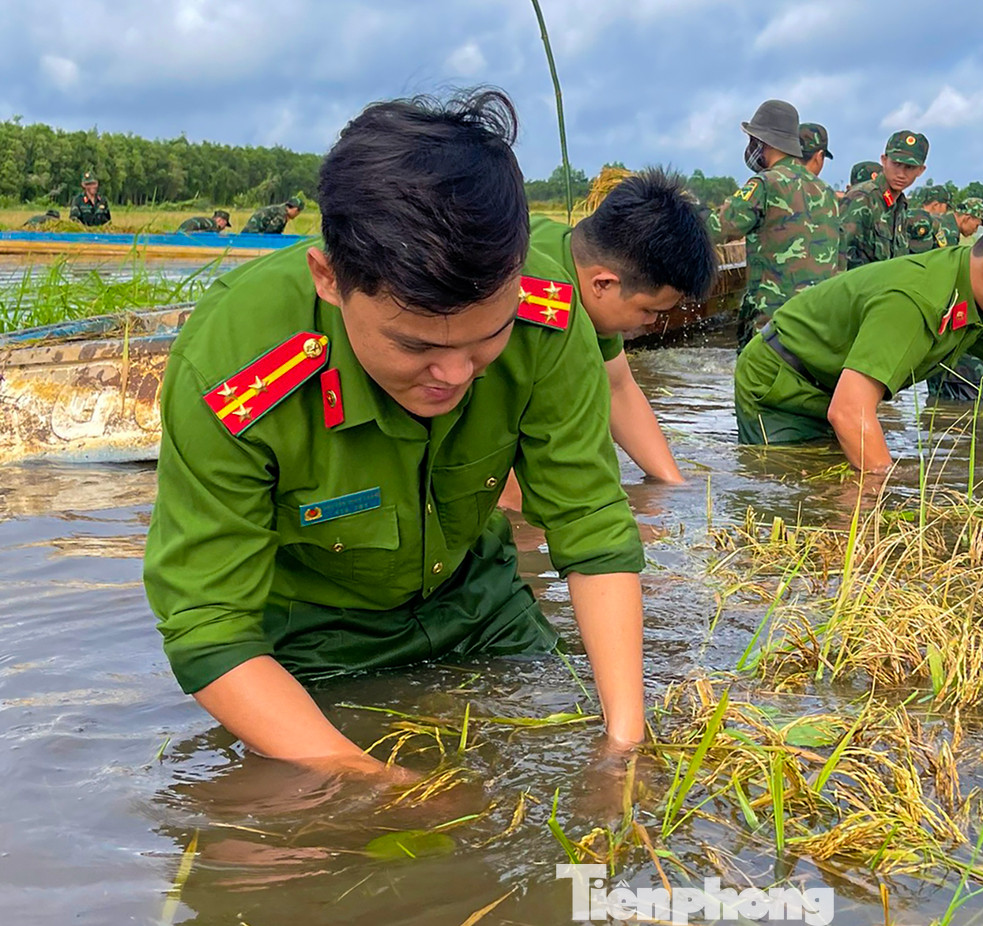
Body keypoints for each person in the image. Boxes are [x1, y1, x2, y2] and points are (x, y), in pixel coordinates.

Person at [143, 89, 648, 780]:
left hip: (479, 605)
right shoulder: (237, 366)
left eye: (485, 338)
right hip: (311, 640)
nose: (453, 376)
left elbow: (590, 520)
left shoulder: (547, 315)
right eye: (414, 346)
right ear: (329, 278)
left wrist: (625, 746)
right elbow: (209, 625)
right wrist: (376, 783)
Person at [734, 203, 983, 471]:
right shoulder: (913, 301)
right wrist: (890, 481)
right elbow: (849, 412)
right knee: (789, 488)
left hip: (834, 387)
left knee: (847, 470)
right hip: (782, 381)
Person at [521, 168, 718, 486]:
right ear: (604, 284)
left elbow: (619, 389)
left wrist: (673, 485)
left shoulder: (583, 273)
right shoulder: (539, 295)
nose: (651, 322)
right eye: (647, 310)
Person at [707, 99, 839, 347]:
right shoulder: (826, 192)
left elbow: (716, 229)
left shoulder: (765, 184)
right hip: (818, 326)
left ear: (762, 143)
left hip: (771, 327)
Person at [838, 130, 928, 270]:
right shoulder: (863, 198)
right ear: (884, 160)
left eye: (909, 167)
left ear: (921, 170)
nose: (901, 174)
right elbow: (840, 256)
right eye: (896, 164)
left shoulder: (900, 205)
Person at [906, 185, 952, 254]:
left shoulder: (904, 215)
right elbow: (943, 251)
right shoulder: (935, 224)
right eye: (946, 207)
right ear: (936, 205)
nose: (946, 211)